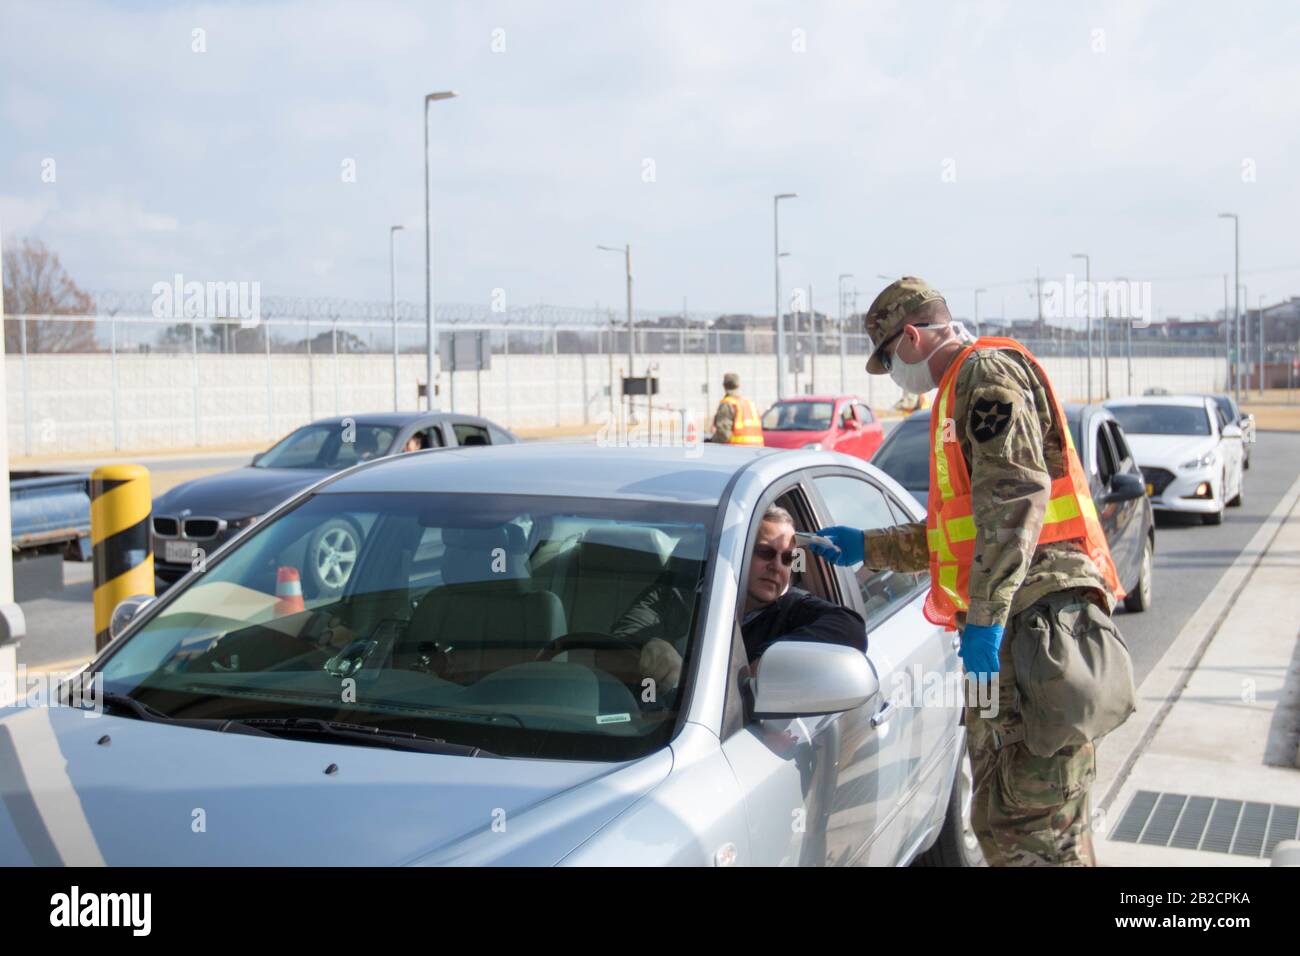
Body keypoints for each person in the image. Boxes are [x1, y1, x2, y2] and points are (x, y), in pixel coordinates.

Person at [809, 276, 1133, 867]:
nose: (894, 375)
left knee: (1029, 825)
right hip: (1007, 634)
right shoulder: (957, 392)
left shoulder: (983, 377)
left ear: (911, 336)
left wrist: (984, 621)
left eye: (889, 358)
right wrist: (868, 546)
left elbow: (1015, 499)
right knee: (1002, 815)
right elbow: (961, 533)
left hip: (1031, 628)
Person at [619, 506, 865, 701]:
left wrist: (765, 662)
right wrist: (649, 646)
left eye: (787, 558)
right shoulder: (678, 597)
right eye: (765, 552)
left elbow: (851, 628)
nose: (777, 566)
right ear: (735, 553)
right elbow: (619, 642)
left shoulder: (794, 608)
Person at [708, 372, 764, 445]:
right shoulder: (749, 404)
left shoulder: (727, 404)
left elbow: (724, 433)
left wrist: (711, 443)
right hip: (757, 451)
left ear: (724, 386)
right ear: (738, 385)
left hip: (737, 451)